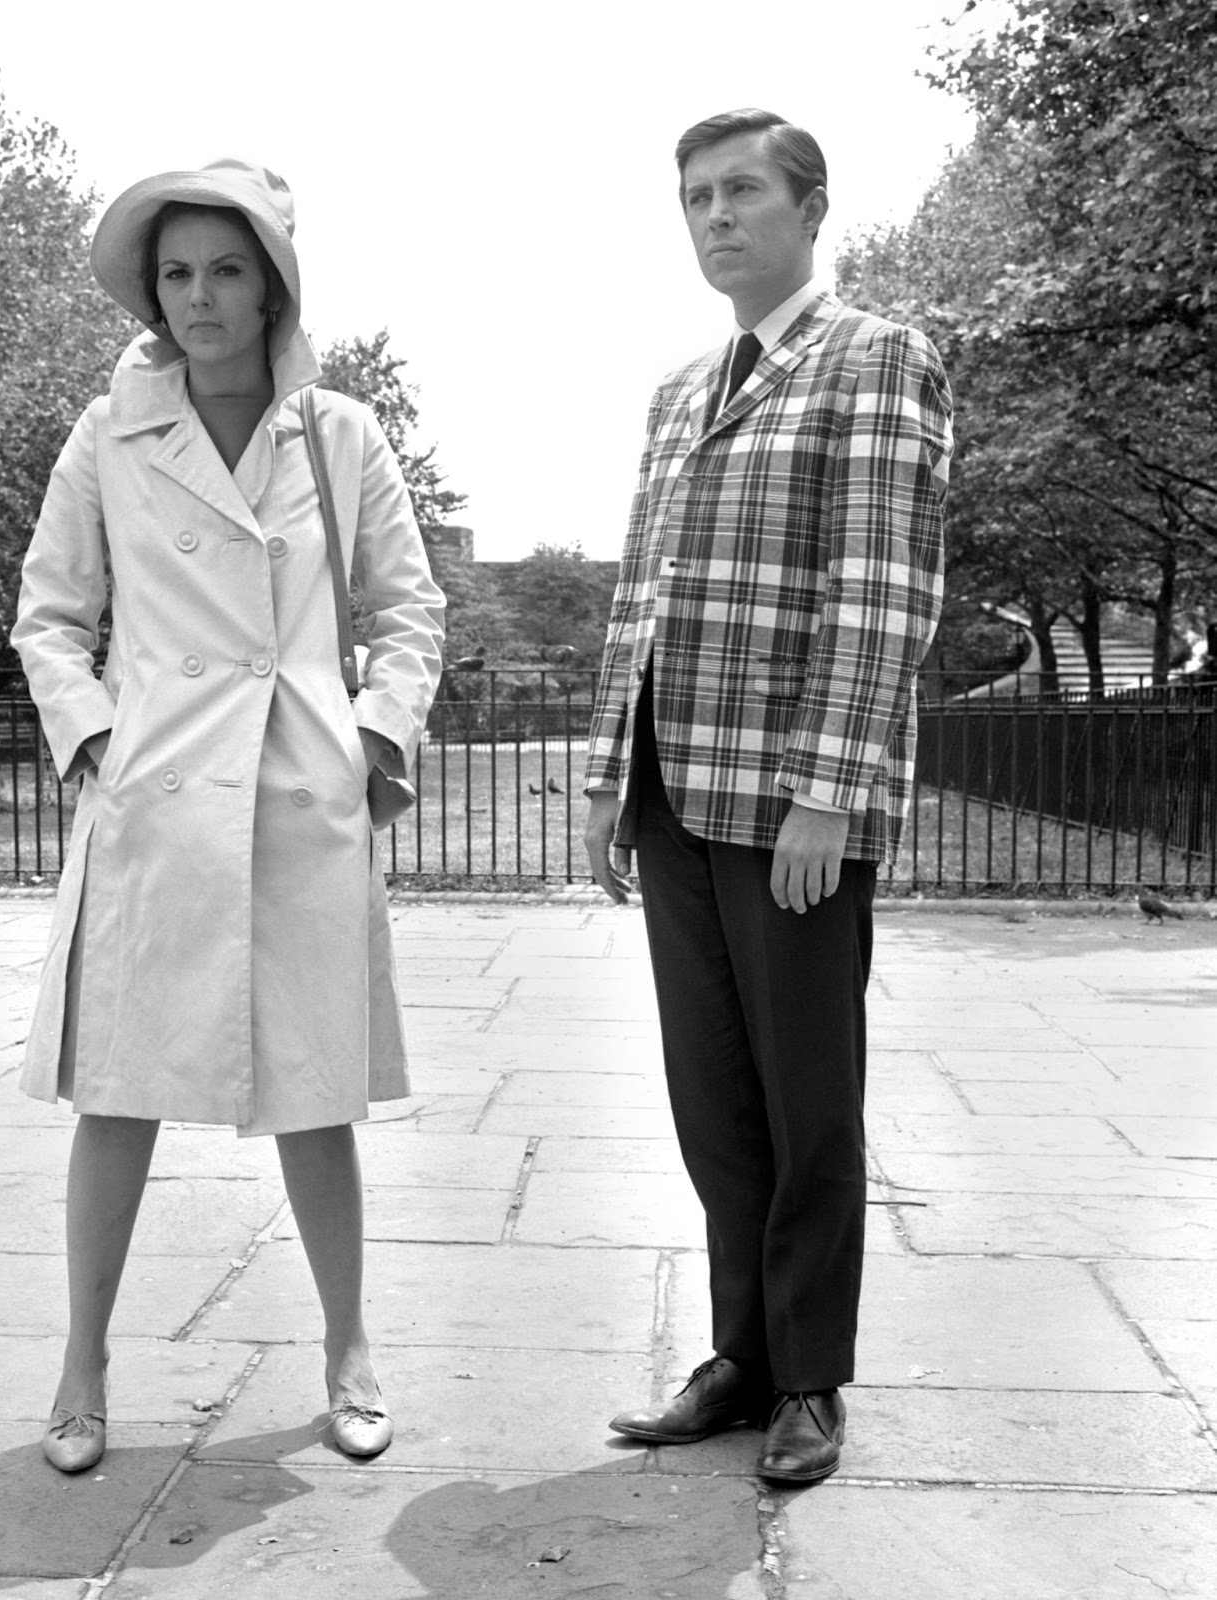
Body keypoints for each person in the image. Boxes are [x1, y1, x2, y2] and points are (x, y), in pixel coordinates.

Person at [11, 159, 445, 1474]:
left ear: (273, 286)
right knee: (117, 1095)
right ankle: (81, 1368)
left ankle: (349, 1351)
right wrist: (96, 740)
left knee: (317, 1100)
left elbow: (408, 611)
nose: (198, 298)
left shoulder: (341, 435)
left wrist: (369, 739)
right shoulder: (109, 433)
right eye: (177, 272)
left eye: (226, 269)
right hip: (158, 805)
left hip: (297, 800)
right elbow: (49, 615)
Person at [583, 110, 950, 1483]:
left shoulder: (876, 357)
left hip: (792, 799)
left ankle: (808, 1377)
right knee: (711, 1095)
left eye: (740, 191)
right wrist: (613, 784)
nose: (713, 217)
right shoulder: (679, 389)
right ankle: (736, 1353)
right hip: (677, 791)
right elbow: (642, 595)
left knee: (808, 1096)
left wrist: (826, 791)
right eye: (692, 197)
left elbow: (880, 589)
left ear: (809, 207)